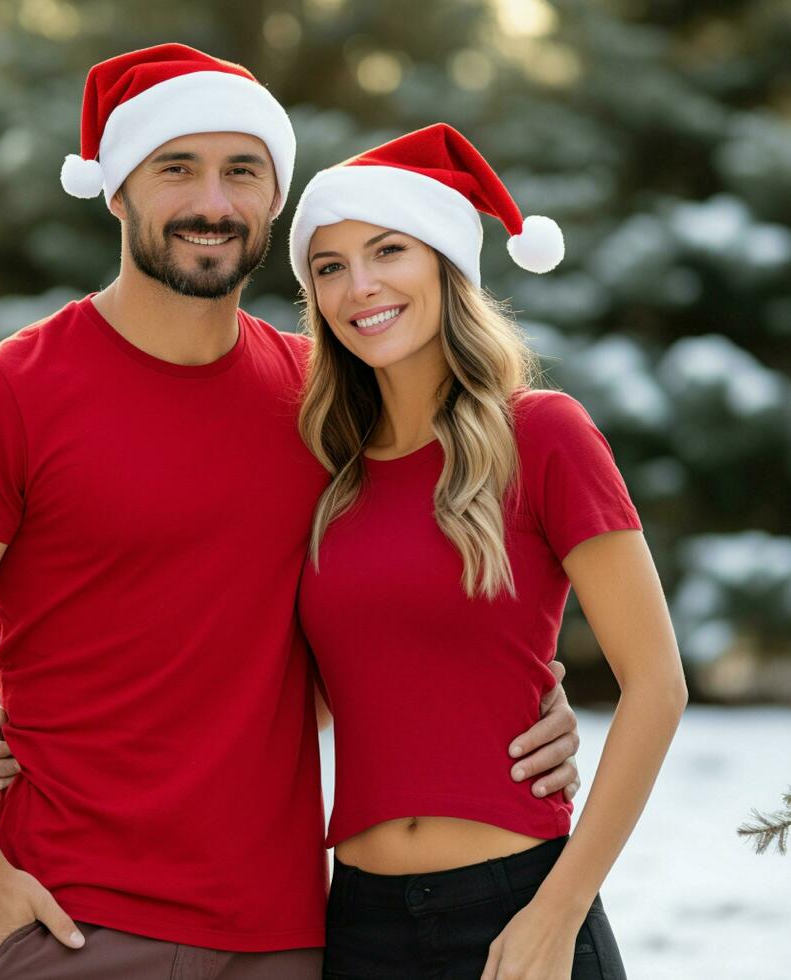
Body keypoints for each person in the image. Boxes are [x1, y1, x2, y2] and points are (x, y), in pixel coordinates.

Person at [0, 45, 582, 980]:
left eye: (242, 171)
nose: (213, 201)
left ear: (274, 199)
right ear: (117, 190)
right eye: (177, 167)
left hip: (285, 935)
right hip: (72, 922)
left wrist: (513, 703)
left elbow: (378, 611)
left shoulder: (324, 406)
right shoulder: (1, 396)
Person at [284, 123, 686, 978]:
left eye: (387, 250)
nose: (361, 286)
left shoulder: (544, 435)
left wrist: (559, 910)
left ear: (443, 262)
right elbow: (299, 697)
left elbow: (657, 684)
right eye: (329, 266)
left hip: (521, 908)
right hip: (357, 926)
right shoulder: (326, 475)